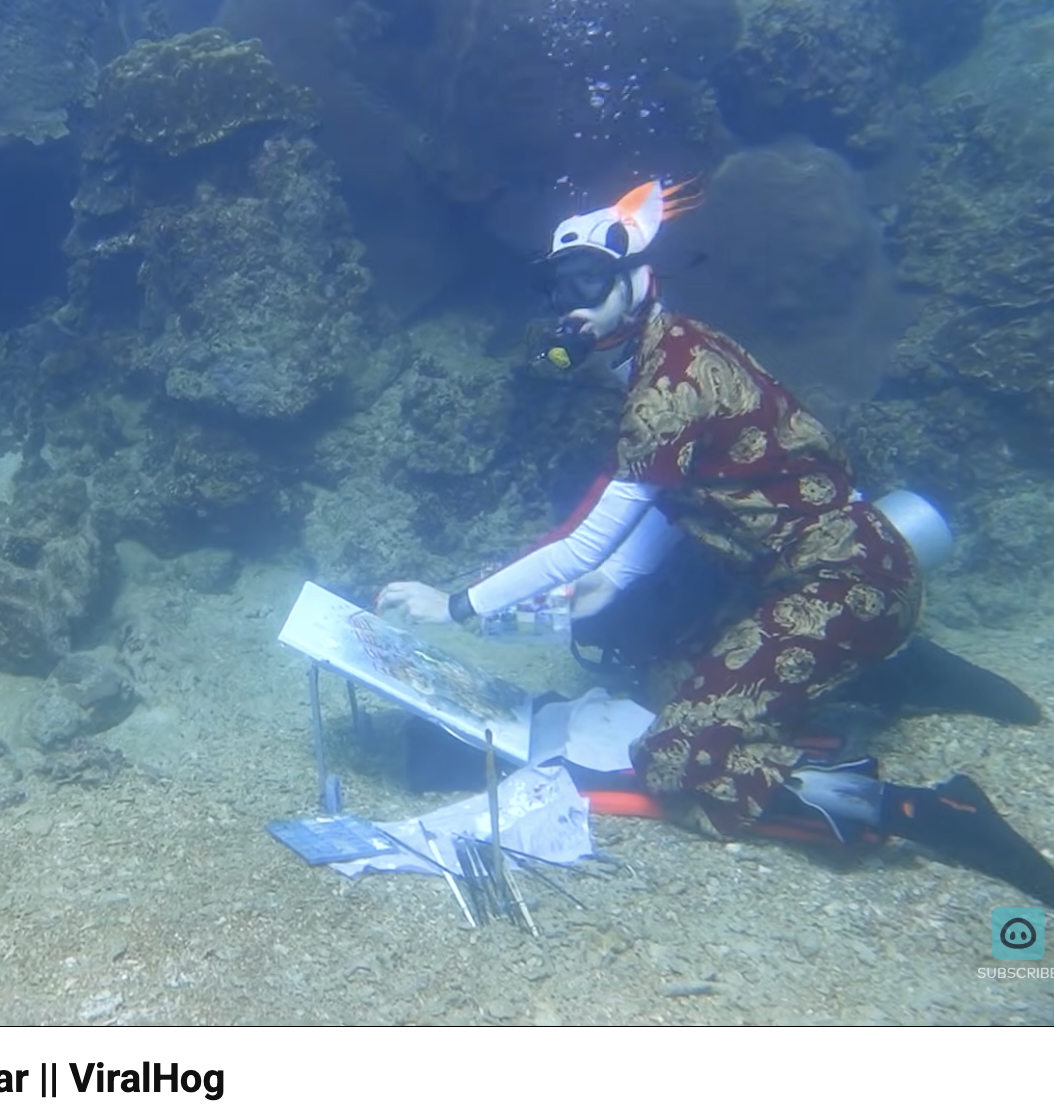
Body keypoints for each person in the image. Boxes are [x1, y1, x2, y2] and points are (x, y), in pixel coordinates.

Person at [377, 181, 1054, 905]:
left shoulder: (665, 392)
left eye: (589, 283)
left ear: (637, 280)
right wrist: (604, 589)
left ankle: (931, 812)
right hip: (826, 573)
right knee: (663, 680)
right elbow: (666, 514)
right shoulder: (678, 345)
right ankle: (890, 672)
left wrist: (454, 606)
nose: (570, 304)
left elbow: (580, 549)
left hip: (845, 583)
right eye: (558, 288)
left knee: (678, 755)